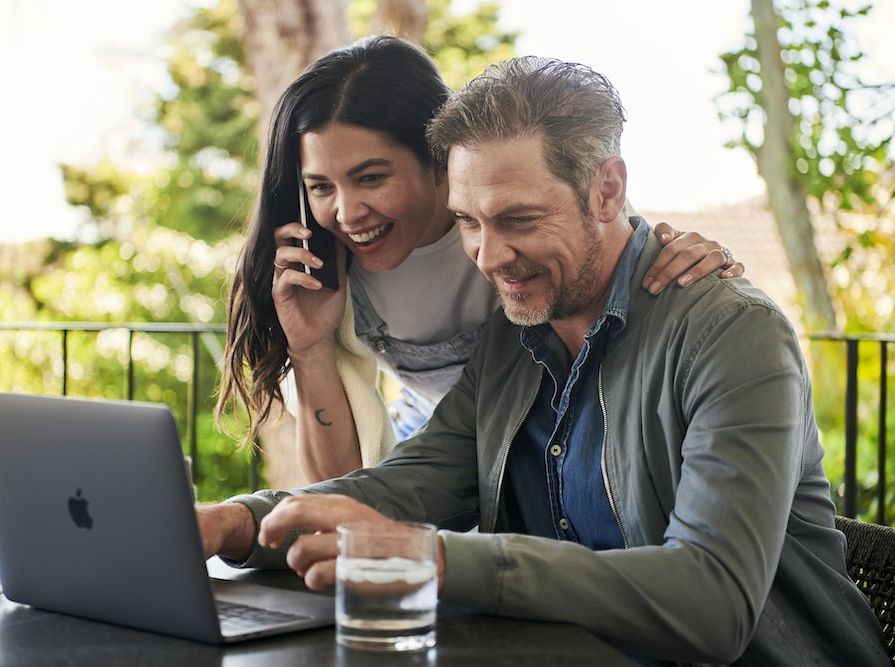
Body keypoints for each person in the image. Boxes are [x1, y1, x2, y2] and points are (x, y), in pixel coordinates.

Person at [197, 56, 888, 665]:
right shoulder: (515, 334)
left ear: (609, 191)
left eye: (518, 220)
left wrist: (434, 557)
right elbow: (410, 481)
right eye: (469, 222)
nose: (490, 258)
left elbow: (714, 603)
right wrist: (239, 521)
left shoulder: (731, 334)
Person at [216, 35, 744, 483]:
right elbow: (340, 487)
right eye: (321, 187)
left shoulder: (531, 214)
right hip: (434, 452)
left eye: (371, 177)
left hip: (555, 448)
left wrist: (687, 257)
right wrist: (310, 348)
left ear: (440, 162)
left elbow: (622, 246)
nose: (347, 212)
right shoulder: (326, 273)